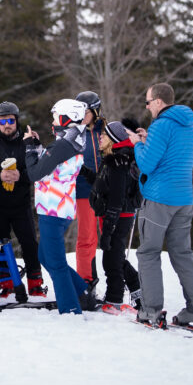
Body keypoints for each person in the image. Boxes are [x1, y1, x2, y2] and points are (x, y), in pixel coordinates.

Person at [125, 83, 193, 328]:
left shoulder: (161, 125)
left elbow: (147, 164)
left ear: (160, 102)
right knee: (182, 253)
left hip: (159, 198)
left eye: (148, 101)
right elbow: (169, 154)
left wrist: (137, 144)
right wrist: (147, 139)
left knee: (149, 253)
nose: (147, 106)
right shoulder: (189, 125)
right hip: (184, 199)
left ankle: (150, 311)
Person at [24, 99, 98, 315]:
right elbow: (50, 165)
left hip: (53, 209)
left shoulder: (64, 144)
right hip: (58, 207)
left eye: (56, 116)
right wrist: (38, 146)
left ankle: (71, 309)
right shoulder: (72, 139)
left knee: (55, 262)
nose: (52, 120)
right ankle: (82, 293)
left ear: (65, 118)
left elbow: (35, 173)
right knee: (45, 257)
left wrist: (29, 148)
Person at [0, 102, 46, 297]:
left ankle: (35, 284)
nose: (7, 125)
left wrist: (21, 175)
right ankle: (6, 285)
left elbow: (41, 169)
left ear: (16, 121)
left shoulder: (27, 141)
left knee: (29, 243)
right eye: (2, 121)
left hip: (20, 204)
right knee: (0, 245)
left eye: (10, 120)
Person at [89, 121, 141, 313]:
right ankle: (137, 288)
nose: (100, 138)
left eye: (104, 135)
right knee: (115, 256)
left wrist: (108, 231)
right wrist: (84, 173)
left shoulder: (119, 162)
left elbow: (117, 199)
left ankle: (114, 299)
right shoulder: (112, 159)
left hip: (119, 216)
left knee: (111, 259)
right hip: (115, 216)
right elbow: (103, 184)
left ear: (113, 139)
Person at [74, 90, 104, 289]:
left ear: (95, 111)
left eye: (85, 112)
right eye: (78, 112)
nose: (82, 116)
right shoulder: (73, 134)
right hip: (84, 192)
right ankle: (85, 281)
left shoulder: (106, 131)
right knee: (87, 237)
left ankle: (116, 282)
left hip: (107, 191)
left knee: (110, 237)